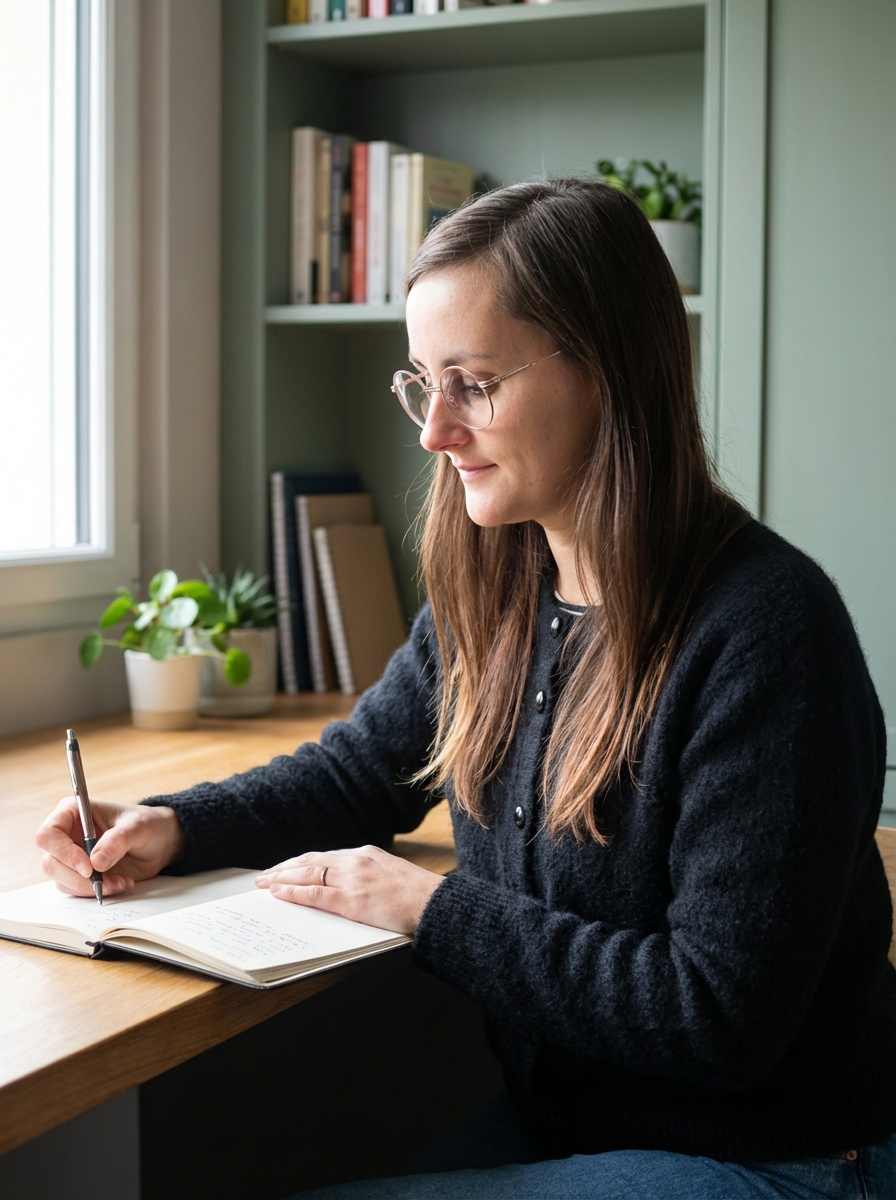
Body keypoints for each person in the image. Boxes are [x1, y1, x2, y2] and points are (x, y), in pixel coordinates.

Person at [37, 178, 895, 1199]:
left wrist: (430, 911)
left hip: (774, 1157)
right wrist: (172, 824)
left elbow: (711, 1015)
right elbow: (364, 771)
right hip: (571, 1124)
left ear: (609, 373)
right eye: (419, 383)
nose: (432, 432)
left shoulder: (764, 631)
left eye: (473, 383)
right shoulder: (498, 586)